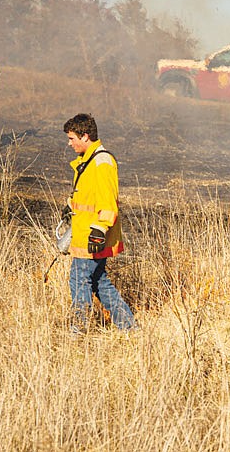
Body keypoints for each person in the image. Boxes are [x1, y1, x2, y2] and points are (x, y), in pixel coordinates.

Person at [62, 113, 136, 332]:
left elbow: (107, 201)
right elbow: (88, 194)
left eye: (72, 138)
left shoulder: (101, 162)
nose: (69, 143)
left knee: (78, 280)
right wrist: (69, 205)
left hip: (92, 236)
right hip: (86, 233)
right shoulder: (89, 161)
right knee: (98, 282)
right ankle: (128, 327)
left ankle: (79, 330)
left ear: (85, 136)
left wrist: (99, 230)